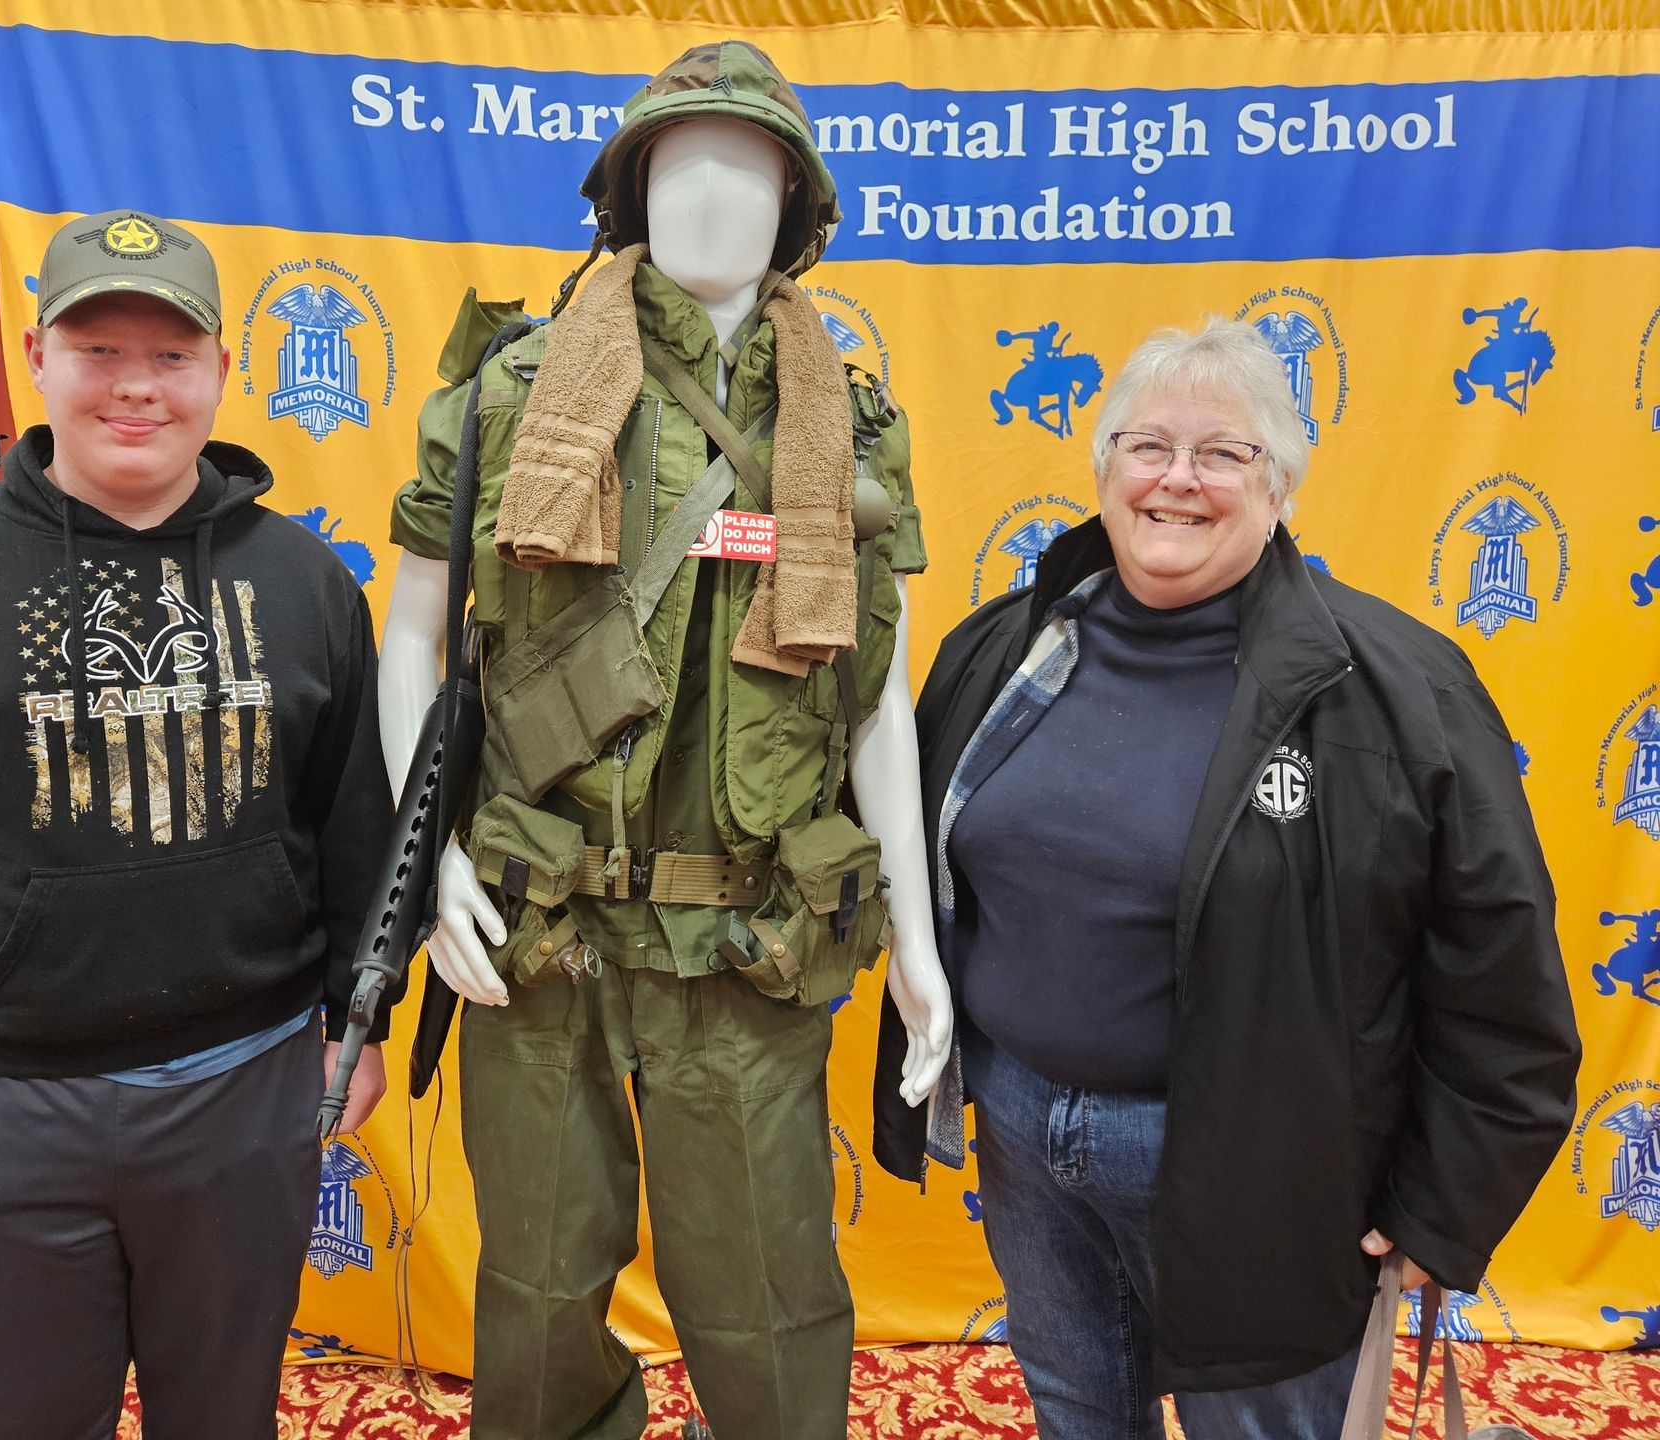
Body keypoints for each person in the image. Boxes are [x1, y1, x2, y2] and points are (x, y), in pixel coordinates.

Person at [381, 41, 950, 1440]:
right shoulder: (509, 392)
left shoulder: (852, 422)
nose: (707, 196)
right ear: (625, 198)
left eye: (745, 168)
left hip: (746, 935)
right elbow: (414, 639)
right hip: (537, 918)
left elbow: (875, 691)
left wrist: (922, 946)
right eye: (676, 165)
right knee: (534, 1285)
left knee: (766, 1298)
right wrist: (427, 861)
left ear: (797, 209)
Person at [872, 318, 1581, 1439]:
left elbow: (1501, 972)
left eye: (1224, 454)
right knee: (1076, 1409)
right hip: (1022, 1132)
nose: (1178, 480)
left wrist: (1447, 1205)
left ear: (1283, 487)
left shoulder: (1397, 690)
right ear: (1104, 468)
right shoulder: (999, 648)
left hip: (1266, 1166)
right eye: (1147, 446)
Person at [0, 208, 392, 1440]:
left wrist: (356, 1013)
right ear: (37, 357)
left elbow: (348, 825)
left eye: (170, 355)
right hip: (0, 1103)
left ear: (221, 370)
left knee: (225, 1418)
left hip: (244, 1090)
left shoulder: (302, 580)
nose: (136, 388)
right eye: (99, 350)